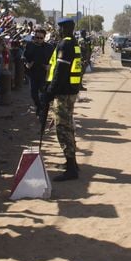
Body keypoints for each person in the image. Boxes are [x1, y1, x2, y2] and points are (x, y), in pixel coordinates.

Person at [45, 18, 83, 181]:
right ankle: (72, 164)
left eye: (60, 28)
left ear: (65, 28)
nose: (58, 31)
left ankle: (71, 168)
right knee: (68, 126)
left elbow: (60, 71)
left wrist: (50, 91)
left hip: (63, 92)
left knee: (62, 128)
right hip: (71, 91)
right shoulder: (73, 43)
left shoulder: (65, 45)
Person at [23, 27, 54, 114]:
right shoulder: (30, 45)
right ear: (34, 37)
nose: (39, 40)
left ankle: (42, 110)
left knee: (43, 93)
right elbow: (24, 57)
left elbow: (54, 60)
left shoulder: (49, 47)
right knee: (33, 94)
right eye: (37, 37)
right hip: (33, 73)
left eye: (41, 38)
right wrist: (27, 64)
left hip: (44, 74)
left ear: (44, 38)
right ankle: (39, 107)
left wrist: (49, 66)